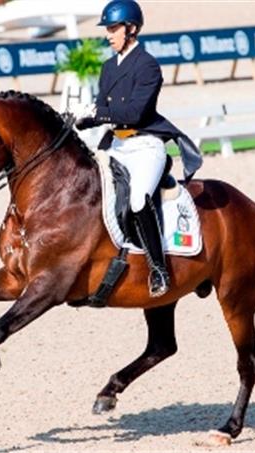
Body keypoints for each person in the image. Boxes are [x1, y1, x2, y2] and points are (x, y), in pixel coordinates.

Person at [75, 0, 202, 298]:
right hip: (117, 144)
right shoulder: (108, 68)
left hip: (145, 144)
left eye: (113, 28)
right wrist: (81, 117)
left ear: (131, 29)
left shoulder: (147, 66)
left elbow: (133, 113)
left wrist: (97, 114)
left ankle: (159, 269)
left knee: (138, 200)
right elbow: (103, 106)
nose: (108, 35)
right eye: (107, 29)